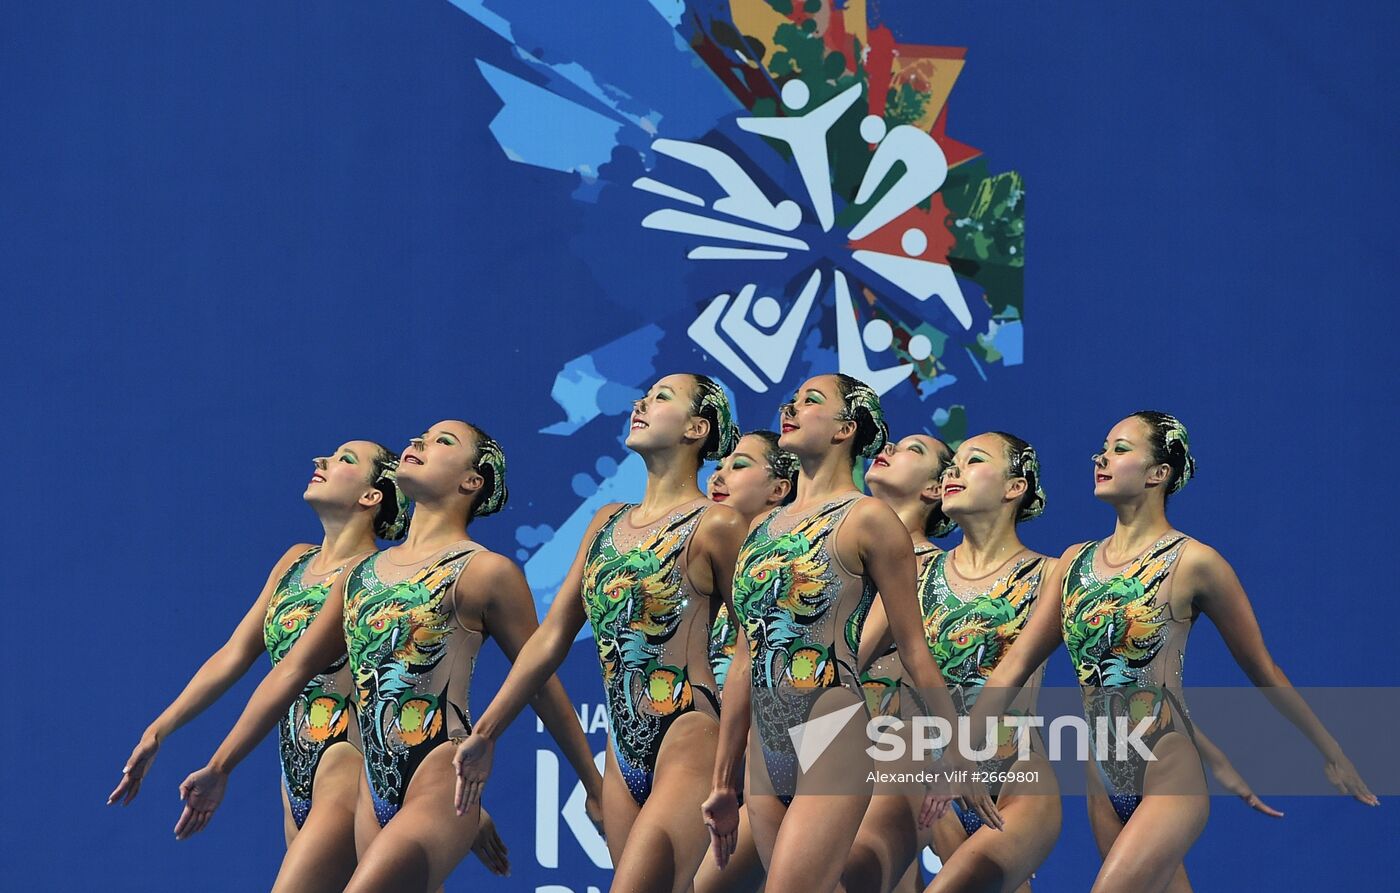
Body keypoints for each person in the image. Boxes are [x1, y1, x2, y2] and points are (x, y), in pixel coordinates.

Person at [171, 421, 601, 893]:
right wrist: (220, 766)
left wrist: (593, 785)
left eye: (442, 442)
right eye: (420, 437)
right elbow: (293, 670)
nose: (417, 442)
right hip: (369, 797)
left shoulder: (486, 571)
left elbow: (540, 680)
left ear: (471, 481)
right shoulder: (360, 575)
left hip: (439, 781)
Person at [968, 412, 1376, 893]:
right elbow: (1014, 665)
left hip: (1167, 770)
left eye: (1121, 449)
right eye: (1103, 447)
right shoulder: (1073, 562)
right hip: (1102, 779)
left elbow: (1263, 668)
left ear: (1158, 473)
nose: (1102, 457)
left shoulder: (1195, 562)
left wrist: (1331, 753)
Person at [452, 374, 749, 893]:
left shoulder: (718, 523)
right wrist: (486, 732)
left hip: (690, 735)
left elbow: (753, 647)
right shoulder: (606, 522)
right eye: (644, 396)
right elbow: (549, 640)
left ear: (697, 428)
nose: (642, 403)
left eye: (662, 398)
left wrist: (728, 773)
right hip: (620, 755)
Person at [703, 374, 999, 893]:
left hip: (831, 729)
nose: (790, 409)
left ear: (845, 429)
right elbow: (748, 657)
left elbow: (914, 649)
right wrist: (724, 781)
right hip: (764, 753)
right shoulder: (759, 531)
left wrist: (956, 749)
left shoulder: (869, 520)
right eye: (792, 400)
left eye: (810, 401)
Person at [695, 429, 798, 893]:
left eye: (739, 466)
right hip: (722, 774)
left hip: (780, 765)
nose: (719, 474)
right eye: (719, 466)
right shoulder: (715, 577)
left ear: (779, 489)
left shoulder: (788, 571)